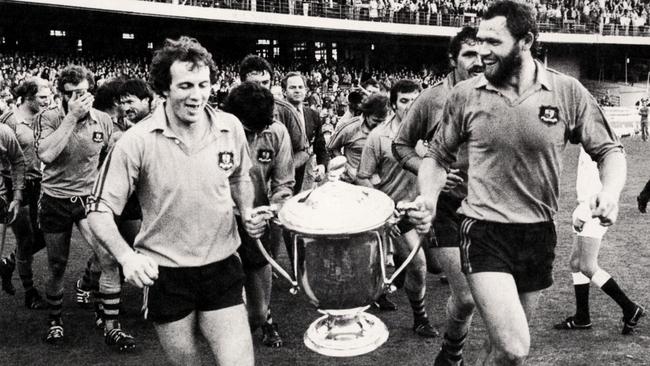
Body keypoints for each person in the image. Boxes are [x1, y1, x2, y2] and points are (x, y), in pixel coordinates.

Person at [409, 1, 626, 364]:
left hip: (538, 233)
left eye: (493, 42)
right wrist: (428, 198)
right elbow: (436, 157)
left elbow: (610, 150)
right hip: (484, 231)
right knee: (515, 346)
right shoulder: (466, 95)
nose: (481, 53)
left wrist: (610, 191)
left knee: (500, 351)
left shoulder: (566, 92)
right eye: (478, 41)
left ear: (525, 42)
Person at [87, 36, 261, 366]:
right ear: (164, 89)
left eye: (203, 84)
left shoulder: (230, 127)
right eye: (185, 86)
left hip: (222, 265)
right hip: (166, 274)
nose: (196, 96)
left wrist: (247, 210)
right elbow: (98, 210)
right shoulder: (136, 141)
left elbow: (239, 176)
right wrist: (126, 257)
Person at [392, 26, 482, 366]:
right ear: (452, 59)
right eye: (468, 54)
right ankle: (452, 352)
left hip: (490, 206)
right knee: (467, 298)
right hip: (448, 207)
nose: (478, 61)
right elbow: (400, 144)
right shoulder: (431, 99)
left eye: (481, 54)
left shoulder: (498, 93)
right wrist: (431, 175)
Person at [34, 65, 115, 345]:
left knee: (106, 256)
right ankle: (55, 319)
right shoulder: (49, 117)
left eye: (82, 92)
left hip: (87, 198)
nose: (77, 98)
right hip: (55, 198)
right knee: (57, 265)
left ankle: (105, 314)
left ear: (91, 92)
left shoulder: (103, 120)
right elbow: (46, 154)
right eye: (70, 94)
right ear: (61, 95)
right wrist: (71, 117)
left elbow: (109, 156)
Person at [357, 79, 439, 338]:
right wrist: (383, 211)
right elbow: (363, 176)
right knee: (419, 265)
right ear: (393, 104)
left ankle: (382, 286)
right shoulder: (378, 137)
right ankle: (420, 318)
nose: (411, 105)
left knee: (438, 267)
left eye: (415, 100)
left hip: (428, 208)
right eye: (404, 100)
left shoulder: (433, 133)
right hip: (398, 214)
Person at [223, 81, 294, 348]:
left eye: (258, 130)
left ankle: (265, 318)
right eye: (247, 130)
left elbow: (284, 182)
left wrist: (273, 208)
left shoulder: (277, 132)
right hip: (220, 221)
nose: (253, 136)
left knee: (258, 306)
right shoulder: (218, 132)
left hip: (257, 220)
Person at [554, 147, 644, 334]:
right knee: (575, 263)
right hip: (585, 208)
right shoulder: (587, 143)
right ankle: (582, 317)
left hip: (594, 210)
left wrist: (585, 213)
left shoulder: (599, 145)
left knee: (587, 265)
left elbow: (603, 184)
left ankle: (630, 308)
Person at [326, 93, 396, 310]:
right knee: (354, 240)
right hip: (353, 190)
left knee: (379, 237)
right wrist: (346, 166)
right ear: (365, 115)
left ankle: (379, 290)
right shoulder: (350, 128)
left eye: (382, 120)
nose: (378, 124)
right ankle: (350, 285)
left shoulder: (388, 131)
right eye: (375, 120)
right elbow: (331, 147)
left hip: (377, 188)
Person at [0, 78, 49, 308]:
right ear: (29, 96)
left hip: (40, 184)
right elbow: (8, 156)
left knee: (47, 234)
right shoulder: (10, 121)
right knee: (25, 237)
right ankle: (30, 292)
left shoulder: (45, 118)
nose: (47, 100)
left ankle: (8, 261)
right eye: (42, 96)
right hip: (15, 184)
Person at [239, 55, 309, 187]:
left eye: (265, 82)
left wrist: (281, 172)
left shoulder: (286, 112)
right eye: (254, 83)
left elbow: (303, 151)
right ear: (243, 83)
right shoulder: (230, 113)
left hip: (275, 191)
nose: (260, 89)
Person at [281, 72, 328, 189]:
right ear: (284, 91)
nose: (297, 90)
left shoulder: (313, 115)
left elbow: (320, 145)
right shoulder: (277, 115)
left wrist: (322, 165)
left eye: (300, 87)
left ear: (306, 90)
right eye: (292, 87)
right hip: (281, 177)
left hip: (305, 176)